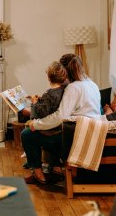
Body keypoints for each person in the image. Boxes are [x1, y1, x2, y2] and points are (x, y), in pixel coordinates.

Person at [21, 54, 101, 185]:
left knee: (27, 135)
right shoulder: (91, 83)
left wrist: (36, 124)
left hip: (75, 136)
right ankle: (56, 169)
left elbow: (60, 116)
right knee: (51, 129)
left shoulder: (73, 88)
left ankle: (38, 174)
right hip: (89, 132)